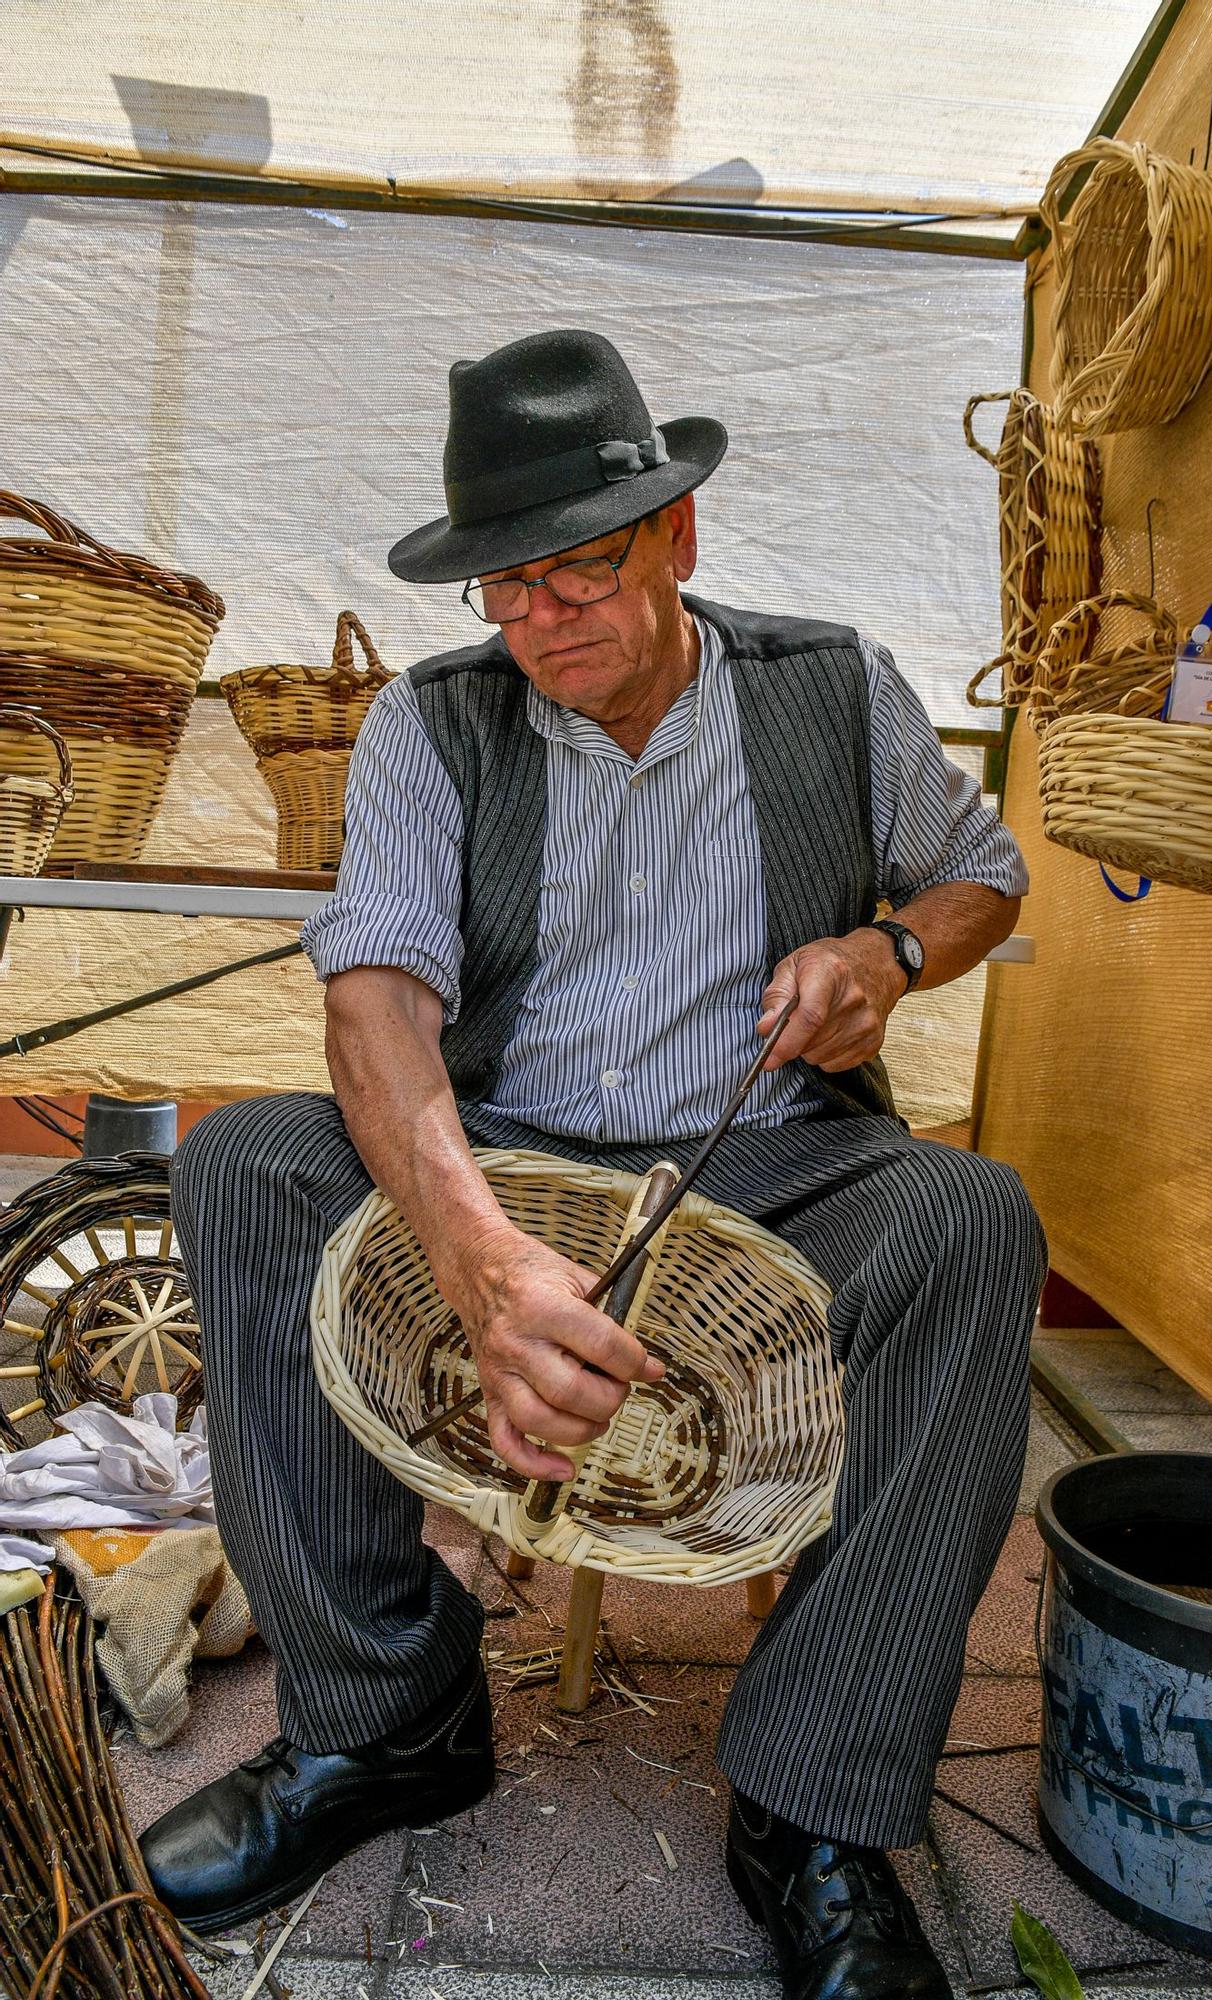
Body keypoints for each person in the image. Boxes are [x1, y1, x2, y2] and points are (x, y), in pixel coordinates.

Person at [143, 328, 1047, 1999]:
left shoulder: (830, 687)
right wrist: (484, 1260)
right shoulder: (432, 724)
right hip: (511, 1159)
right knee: (252, 1165)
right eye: (505, 587)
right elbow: (376, 1015)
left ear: (676, 538)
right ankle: (381, 1730)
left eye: (583, 571)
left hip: (765, 1163)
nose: (544, 620)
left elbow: (976, 875)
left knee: (972, 1218)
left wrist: (891, 956)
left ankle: (813, 1804)